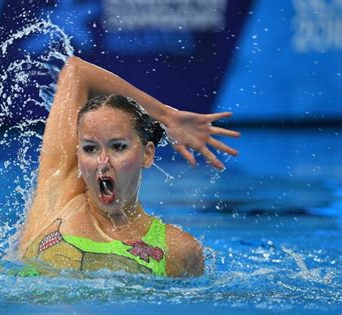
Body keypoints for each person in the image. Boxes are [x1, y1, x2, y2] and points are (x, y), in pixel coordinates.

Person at [19, 56, 239, 277]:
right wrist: (167, 115)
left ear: (147, 154)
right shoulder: (56, 200)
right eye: (90, 148)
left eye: (118, 147)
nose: (103, 162)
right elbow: (76, 71)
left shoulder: (178, 249)